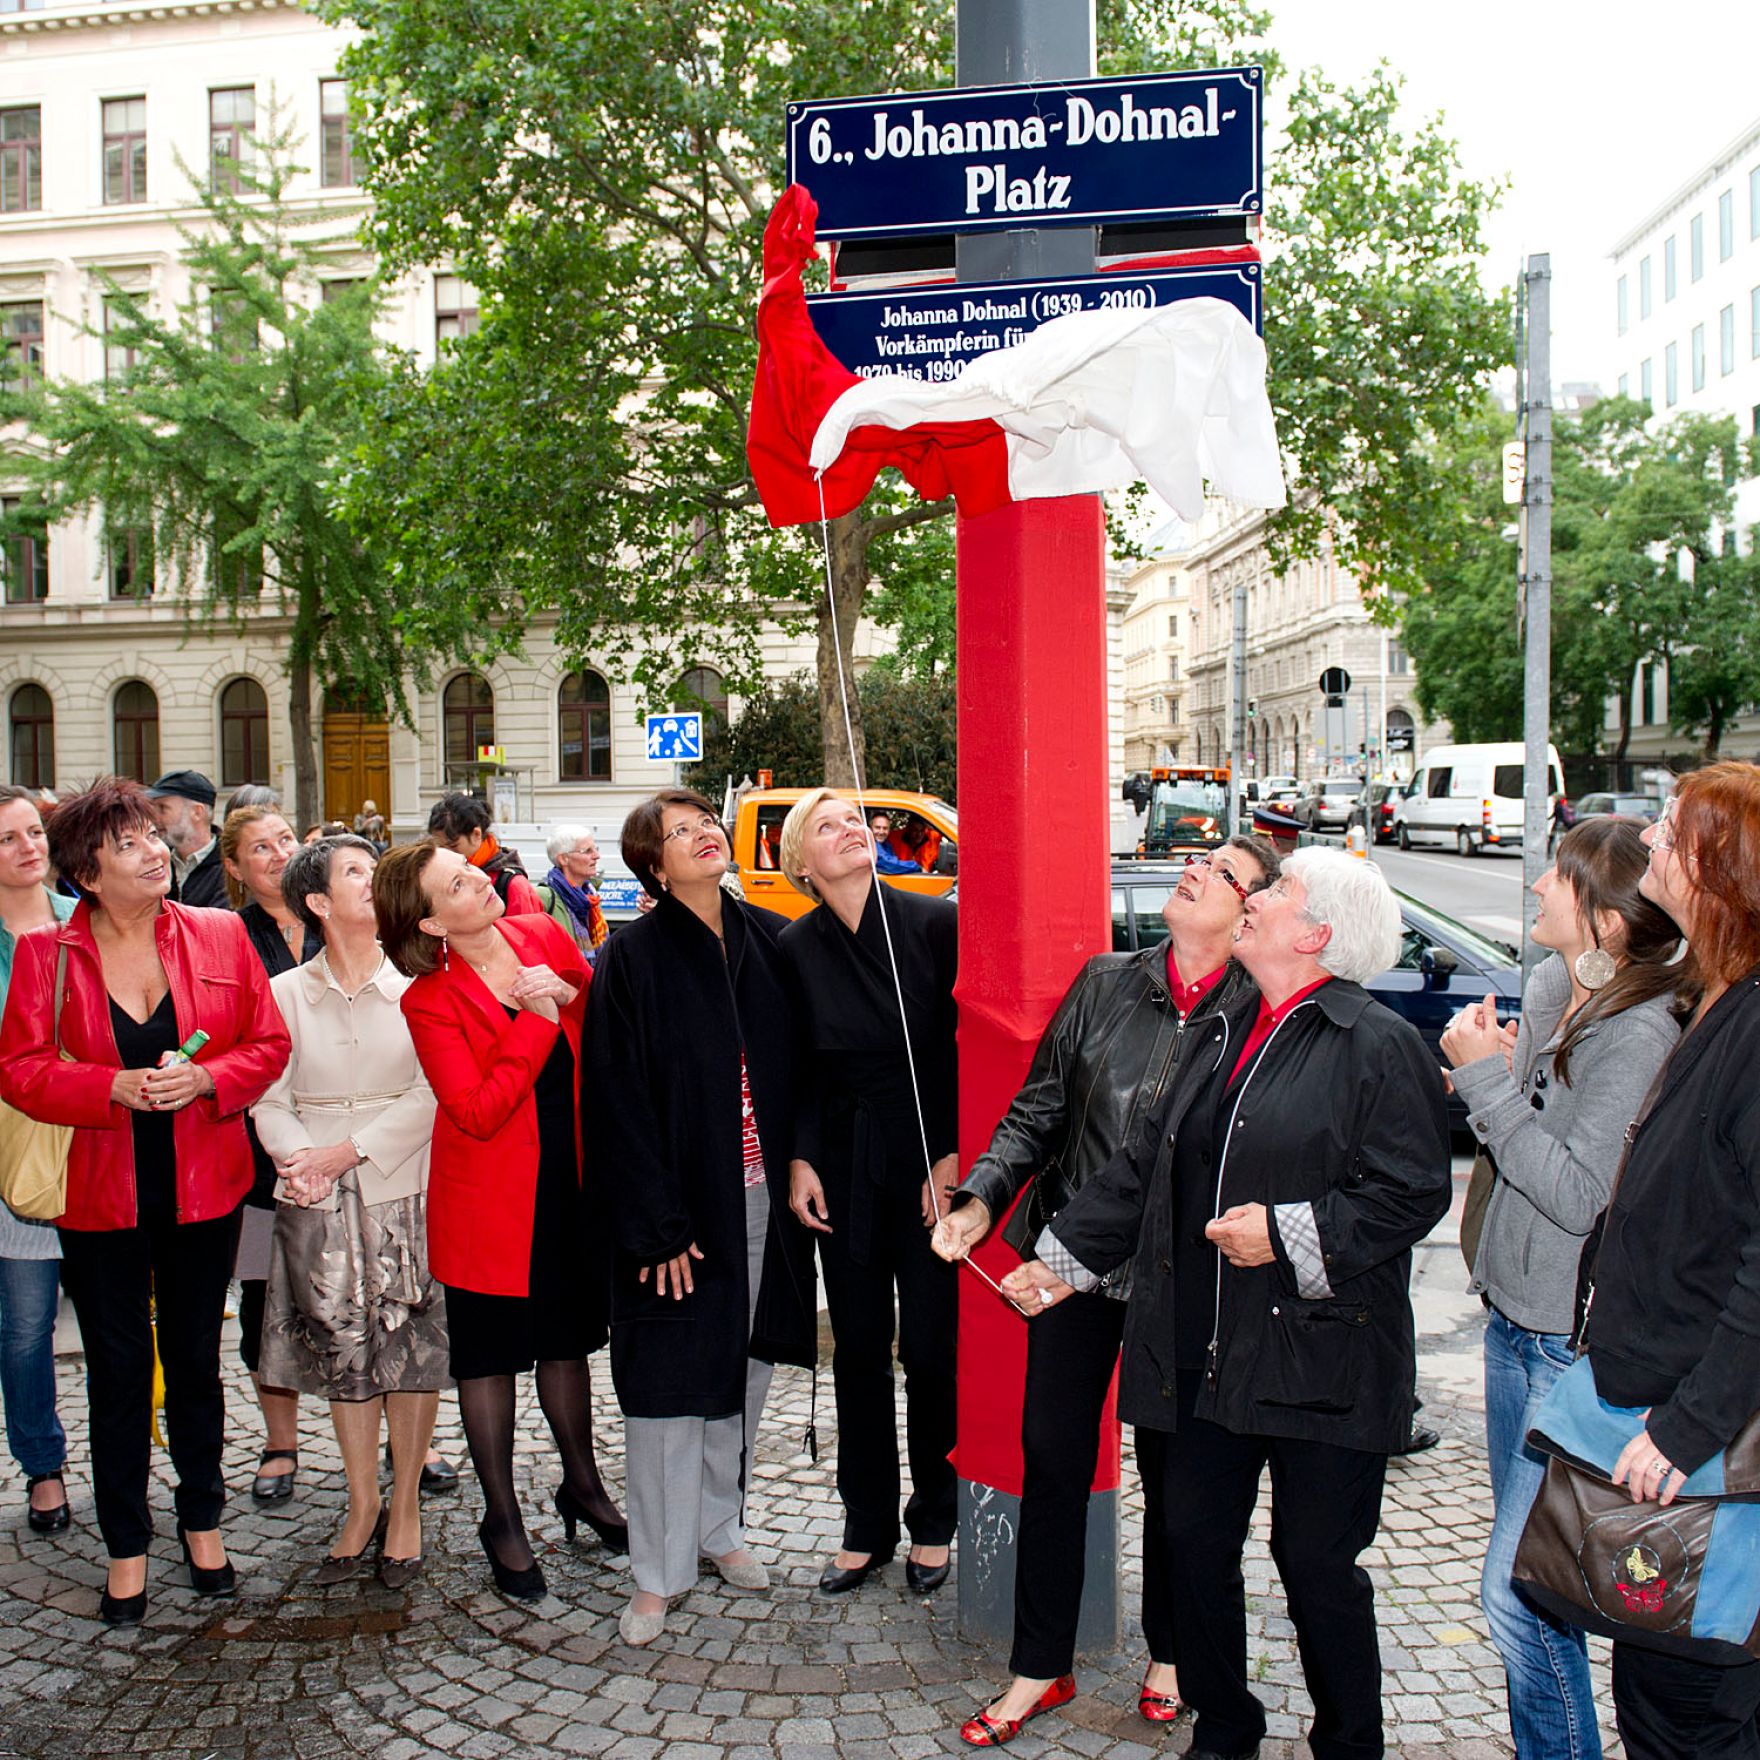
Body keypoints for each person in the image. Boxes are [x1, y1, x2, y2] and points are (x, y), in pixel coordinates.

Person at [1017, 848, 1453, 1760]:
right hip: (1211, 1349)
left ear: (1316, 933)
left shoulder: (1376, 1042)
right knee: (1195, 1539)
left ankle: (1349, 1741)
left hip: (1324, 1364)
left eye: (1277, 891)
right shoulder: (1227, 1027)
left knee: (1319, 1569)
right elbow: (1145, 1162)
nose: (1254, 899)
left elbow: (1413, 1192)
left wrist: (1294, 1234)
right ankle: (1225, 1730)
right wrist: (1060, 1259)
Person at [933, 836, 1278, 1745]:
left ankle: (1172, 1653)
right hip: (1070, 1267)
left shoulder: (1256, 1010)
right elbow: (1039, 1109)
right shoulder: (1106, 980)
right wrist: (980, 1198)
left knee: (1178, 1479)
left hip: (1184, 1276)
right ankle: (1039, 1667)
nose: (1195, 868)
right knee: (1051, 1458)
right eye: (1197, 859)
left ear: (1251, 913)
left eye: (1222, 869)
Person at [0, 778, 289, 1626]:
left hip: (205, 1189)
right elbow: (19, 1070)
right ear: (87, 871)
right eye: (129, 844)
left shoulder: (220, 931)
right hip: (99, 1200)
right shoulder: (50, 957)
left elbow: (267, 1044)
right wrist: (108, 1087)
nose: (156, 852)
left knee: (196, 1363)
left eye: (156, 838)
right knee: (120, 1373)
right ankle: (126, 1544)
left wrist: (209, 1075)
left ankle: (203, 1523)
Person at [1441, 817, 1684, 1760]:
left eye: (1559, 878)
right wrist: (1494, 1061)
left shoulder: (1640, 1030)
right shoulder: (1561, 986)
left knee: (1521, 1599)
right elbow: (1515, 1100)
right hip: (1513, 1325)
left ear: (1610, 920)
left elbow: (1581, 1198)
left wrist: (1487, 1088)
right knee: (1540, 1597)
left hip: (1561, 1350)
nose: (1538, 888)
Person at [585, 789, 816, 1646]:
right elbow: (614, 1101)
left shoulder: (766, 938)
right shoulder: (633, 958)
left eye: (703, 823)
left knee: (744, 1373)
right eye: (679, 833)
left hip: (760, 1201)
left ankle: (720, 1528)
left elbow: (802, 1071)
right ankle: (657, 1571)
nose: (703, 835)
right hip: (676, 1216)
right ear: (653, 863)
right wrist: (655, 1225)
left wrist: (802, 1161)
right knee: (669, 1391)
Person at [381, 839, 625, 1604]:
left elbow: (592, 1001)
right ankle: (502, 1518)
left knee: (566, 1344)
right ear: (429, 923)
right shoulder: (427, 1001)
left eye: (474, 870)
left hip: (568, 1179)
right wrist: (535, 1017)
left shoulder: (537, 928)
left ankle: (582, 1485)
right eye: (458, 883)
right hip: (489, 1202)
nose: (481, 883)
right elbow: (476, 1112)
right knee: (488, 1362)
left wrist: (567, 995)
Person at [1577, 766, 1760, 1758]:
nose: (1645, 837)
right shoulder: (1714, 998)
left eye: (1666, 827)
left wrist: (1686, 1425)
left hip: (1703, 1454)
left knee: (1687, 1714)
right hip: (1671, 1426)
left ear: (1712, 866)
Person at [252, 836, 449, 1590]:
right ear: (318, 903)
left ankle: (406, 1507)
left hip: (404, 1181)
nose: (373, 882)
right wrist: (299, 1158)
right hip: (314, 1192)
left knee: (411, 1350)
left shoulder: (419, 983)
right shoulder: (282, 994)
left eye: (375, 870)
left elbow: (436, 1090)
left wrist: (351, 1152)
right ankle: (361, 1502)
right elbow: (267, 1096)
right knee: (341, 1352)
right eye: (355, 873)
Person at [777, 790, 959, 1597]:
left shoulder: (930, 924)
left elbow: (961, 1053)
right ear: (801, 863)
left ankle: (934, 1520)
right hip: (843, 1170)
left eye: (855, 820)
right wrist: (801, 1158)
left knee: (929, 1350)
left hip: (926, 1168)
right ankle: (866, 1523)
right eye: (828, 826)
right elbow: (797, 1070)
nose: (851, 829)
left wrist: (953, 1157)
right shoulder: (795, 946)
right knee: (856, 1349)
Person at [220, 804, 319, 1504]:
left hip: (351, 1143)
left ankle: (407, 1438)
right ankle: (280, 1442)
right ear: (234, 867)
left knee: (383, 1294)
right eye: (260, 847)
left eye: (285, 838)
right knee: (264, 1298)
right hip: (261, 1157)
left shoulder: (334, 915)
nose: (278, 853)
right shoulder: (228, 936)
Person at [0, 786, 78, 1534]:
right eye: (9, 839)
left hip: (95, 1144)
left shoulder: (80, 922)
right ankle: (43, 1463)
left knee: (124, 1320)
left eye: (34, 832)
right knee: (26, 1326)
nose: (29, 848)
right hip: (16, 1157)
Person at [426, 794, 544, 915]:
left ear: (476, 834)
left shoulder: (513, 886)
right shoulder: (442, 878)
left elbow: (525, 931)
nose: (447, 854)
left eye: (453, 846)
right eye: (440, 848)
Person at [148, 770, 227, 909]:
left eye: (162, 808)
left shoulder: (230, 867)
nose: (154, 818)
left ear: (197, 812)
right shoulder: (154, 863)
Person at [538, 825, 610, 965]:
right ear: (564, 859)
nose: (597, 856)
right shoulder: (545, 897)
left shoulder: (590, 896)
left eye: (596, 849)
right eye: (587, 851)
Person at [867, 811, 920, 877]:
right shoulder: (869, 844)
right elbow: (890, 864)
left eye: (885, 828)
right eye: (877, 827)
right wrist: (917, 866)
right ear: (870, 828)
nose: (881, 832)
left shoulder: (886, 845)